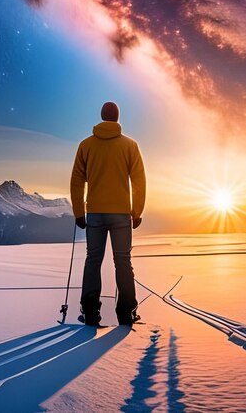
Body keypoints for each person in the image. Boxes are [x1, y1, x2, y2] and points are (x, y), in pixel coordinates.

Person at [70, 101, 146, 326]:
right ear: (117, 118)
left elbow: (77, 181)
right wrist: (137, 212)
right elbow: (139, 180)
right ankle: (126, 312)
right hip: (121, 214)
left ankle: (91, 312)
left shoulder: (86, 145)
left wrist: (78, 213)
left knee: (93, 260)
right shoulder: (130, 145)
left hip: (94, 213)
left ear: (102, 117)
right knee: (123, 261)